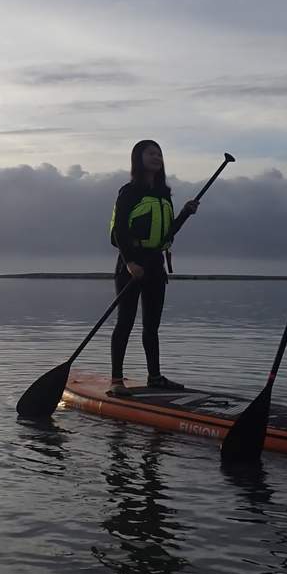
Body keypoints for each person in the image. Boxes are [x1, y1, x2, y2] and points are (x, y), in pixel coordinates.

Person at [107, 140, 199, 397]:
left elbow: (167, 234)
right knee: (125, 321)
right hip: (132, 264)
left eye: (159, 153)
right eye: (150, 153)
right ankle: (116, 380)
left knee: (151, 325)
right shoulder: (128, 192)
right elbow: (118, 231)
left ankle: (155, 377)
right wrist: (130, 263)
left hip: (155, 265)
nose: (156, 157)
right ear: (138, 158)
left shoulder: (163, 193)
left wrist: (184, 214)